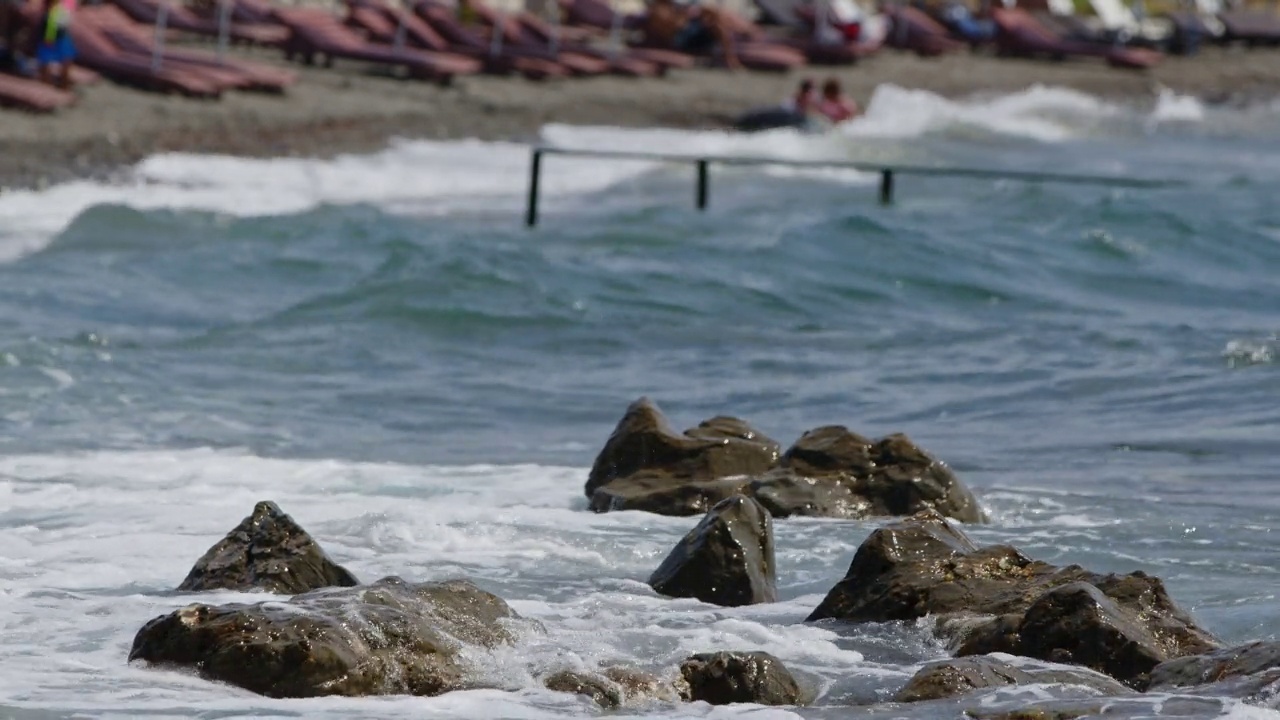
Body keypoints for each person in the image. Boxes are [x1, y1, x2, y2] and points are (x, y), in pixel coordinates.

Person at [643, 0, 741, 70]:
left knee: (717, 21)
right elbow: (674, 27)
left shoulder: (683, 7)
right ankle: (728, 58)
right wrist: (685, 15)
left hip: (692, 32)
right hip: (679, 38)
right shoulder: (659, 8)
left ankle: (730, 59)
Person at [36, 0, 75, 89]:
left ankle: (60, 86)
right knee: (48, 64)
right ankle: (56, 86)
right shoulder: (59, 10)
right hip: (55, 36)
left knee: (61, 62)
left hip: (55, 37)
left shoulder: (59, 10)